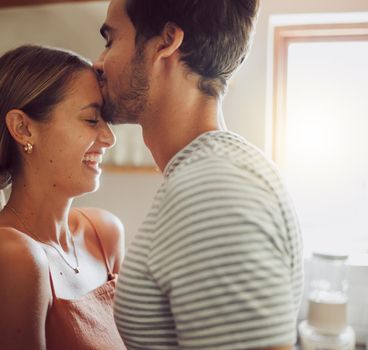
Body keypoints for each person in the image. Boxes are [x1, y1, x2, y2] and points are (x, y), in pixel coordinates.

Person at [93, 1, 303, 349]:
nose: (99, 63)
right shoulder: (217, 172)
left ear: (166, 41)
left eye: (110, 40)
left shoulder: (214, 191)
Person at [0, 45, 127, 350]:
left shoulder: (104, 235)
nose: (109, 137)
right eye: (90, 120)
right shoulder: (9, 257)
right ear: (23, 128)